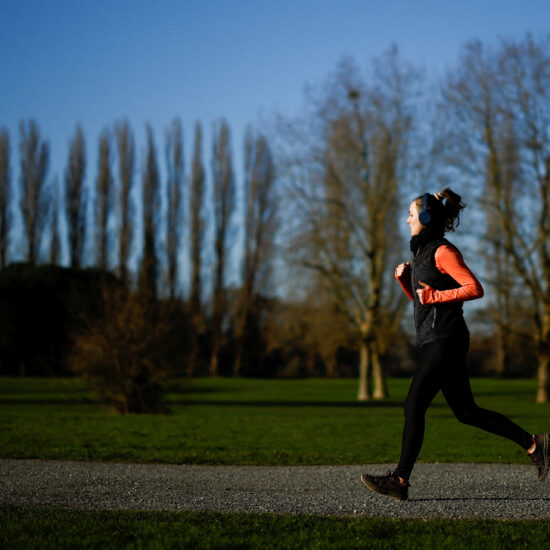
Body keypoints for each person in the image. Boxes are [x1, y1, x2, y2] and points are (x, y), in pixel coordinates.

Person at [360, 189, 550, 501]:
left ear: (424, 218)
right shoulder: (422, 253)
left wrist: (435, 295)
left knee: (413, 405)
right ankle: (535, 445)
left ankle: (400, 481)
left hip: (446, 340)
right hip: (439, 338)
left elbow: (474, 288)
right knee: (466, 411)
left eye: (411, 213)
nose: (407, 218)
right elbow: (425, 306)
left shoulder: (443, 251)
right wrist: (406, 283)